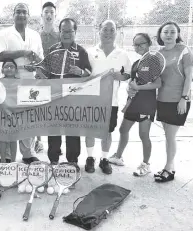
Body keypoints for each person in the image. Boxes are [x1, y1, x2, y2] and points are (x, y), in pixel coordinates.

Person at [0, 3, 44, 164]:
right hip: (9, 81)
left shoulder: (35, 35)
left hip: (29, 80)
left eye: (24, 12)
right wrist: (23, 53)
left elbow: (41, 59)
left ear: (29, 15)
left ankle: (28, 154)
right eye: (18, 12)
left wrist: (35, 63)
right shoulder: (4, 33)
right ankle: (7, 156)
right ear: (13, 15)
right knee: (9, 117)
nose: (21, 14)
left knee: (28, 118)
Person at [108, 33, 162, 177]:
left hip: (146, 104)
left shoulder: (154, 60)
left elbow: (158, 83)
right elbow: (133, 81)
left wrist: (139, 88)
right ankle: (118, 156)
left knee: (143, 134)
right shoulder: (137, 63)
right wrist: (130, 88)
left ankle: (146, 164)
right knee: (123, 129)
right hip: (133, 102)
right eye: (135, 45)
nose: (138, 47)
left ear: (149, 43)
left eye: (141, 44)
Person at [85, 20, 131, 175]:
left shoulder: (122, 54)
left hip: (111, 100)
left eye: (112, 30)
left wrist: (121, 76)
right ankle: (90, 158)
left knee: (107, 132)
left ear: (116, 32)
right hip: (91, 99)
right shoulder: (90, 52)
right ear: (99, 30)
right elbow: (85, 73)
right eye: (105, 29)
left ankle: (104, 159)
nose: (108, 33)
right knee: (90, 130)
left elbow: (128, 74)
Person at [46, 18, 92, 167]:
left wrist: (81, 72)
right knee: (54, 130)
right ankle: (53, 159)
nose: (66, 34)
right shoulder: (52, 49)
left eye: (70, 31)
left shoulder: (81, 51)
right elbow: (46, 71)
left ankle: (72, 161)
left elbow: (89, 74)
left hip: (73, 98)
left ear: (75, 32)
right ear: (59, 32)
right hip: (54, 97)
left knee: (73, 131)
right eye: (63, 31)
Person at [153, 22, 192, 183]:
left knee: (170, 136)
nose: (168, 35)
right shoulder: (158, 53)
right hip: (162, 99)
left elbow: (189, 76)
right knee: (168, 135)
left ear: (177, 34)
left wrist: (184, 98)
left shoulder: (184, 50)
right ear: (160, 34)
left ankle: (168, 169)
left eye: (172, 32)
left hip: (178, 100)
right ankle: (171, 167)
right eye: (165, 32)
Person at [34, 1, 61, 154]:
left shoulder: (60, 36)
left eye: (52, 12)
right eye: (46, 12)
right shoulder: (36, 35)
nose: (49, 15)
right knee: (38, 112)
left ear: (55, 15)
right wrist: (39, 71)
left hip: (56, 79)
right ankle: (38, 142)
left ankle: (56, 144)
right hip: (39, 78)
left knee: (56, 112)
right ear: (42, 15)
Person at [0, 60, 19, 163]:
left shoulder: (21, 82)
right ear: (2, 70)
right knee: (3, 138)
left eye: (12, 66)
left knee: (13, 139)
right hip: (2, 114)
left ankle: (13, 162)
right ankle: (2, 161)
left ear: (16, 70)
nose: (9, 68)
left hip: (16, 115)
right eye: (6, 67)